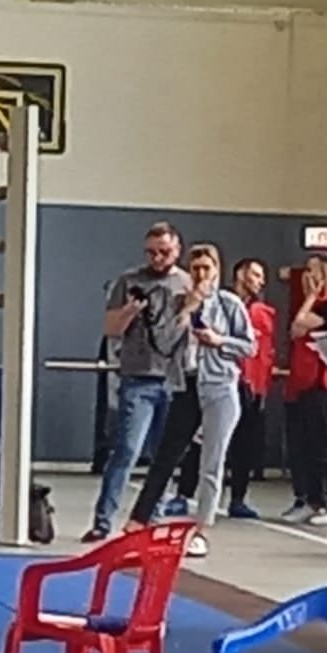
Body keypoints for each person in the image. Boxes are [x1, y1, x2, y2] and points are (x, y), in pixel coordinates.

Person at [125, 243, 257, 557]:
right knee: (166, 456)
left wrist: (220, 340)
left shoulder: (229, 304)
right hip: (187, 384)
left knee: (212, 461)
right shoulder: (179, 301)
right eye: (195, 268)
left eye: (206, 268)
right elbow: (164, 343)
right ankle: (137, 521)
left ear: (217, 270)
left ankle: (201, 529)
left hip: (220, 386)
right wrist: (186, 311)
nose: (200, 275)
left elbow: (250, 346)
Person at [85, 222, 193, 541]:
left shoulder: (187, 284)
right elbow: (110, 328)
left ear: (177, 251)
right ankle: (103, 520)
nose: (157, 258)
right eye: (151, 253)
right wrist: (132, 309)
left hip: (175, 379)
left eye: (164, 252)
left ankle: (152, 519)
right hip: (138, 378)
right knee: (127, 450)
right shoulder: (128, 281)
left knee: (165, 457)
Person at [284, 252, 327, 526]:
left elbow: (298, 327)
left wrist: (311, 297)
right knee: (306, 445)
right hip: (305, 382)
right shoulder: (320, 304)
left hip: (324, 382)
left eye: (312, 271)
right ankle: (314, 500)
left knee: (324, 444)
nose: (307, 277)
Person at [227, 257, 276, 519]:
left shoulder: (263, 313)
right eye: (256, 275)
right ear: (241, 275)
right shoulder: (222, 304)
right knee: (206, 440)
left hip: (250, 387)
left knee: (245, 444)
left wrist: (260, 387)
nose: (261, 281)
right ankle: (184, 493)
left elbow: (264, 354)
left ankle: (238, 498)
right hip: (223, 381)